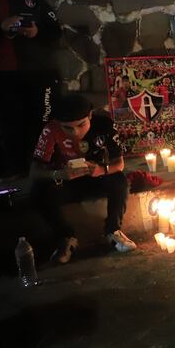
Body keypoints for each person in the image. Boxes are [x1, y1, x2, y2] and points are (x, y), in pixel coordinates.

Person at [29, 94, 137, 263]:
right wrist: (59, 174)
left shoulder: (104, 125)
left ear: (90, 116)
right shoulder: (51, 130)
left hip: (96, 176)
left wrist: (101, 169)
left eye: (81, 125)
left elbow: (119, 164)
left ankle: (113, 231)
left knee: (119, 182)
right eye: (68, 128)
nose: (76, 133)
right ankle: (66, 238)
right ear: (58, 123)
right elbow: (34, 172)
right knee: (37, 192)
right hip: (66, 182)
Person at [0, 0, 62, 179]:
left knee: (43, 120)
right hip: (4, 75)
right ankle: (16, 170)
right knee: (10, 123)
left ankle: (43, 165)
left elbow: (56, 32)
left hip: (39, 73)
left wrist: (36, 32)